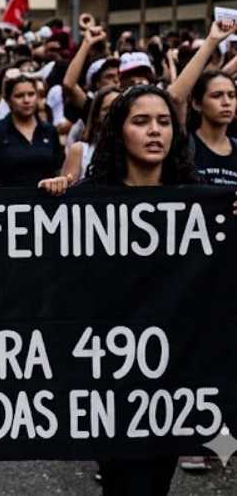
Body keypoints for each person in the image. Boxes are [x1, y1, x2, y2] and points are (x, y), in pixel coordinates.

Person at [83, 85, 198, 495]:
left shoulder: (200, 205)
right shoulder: (87, 207)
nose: (155, 132)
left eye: (164, 122)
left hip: (173, 377)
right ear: (118, 132)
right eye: (141, 121)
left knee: (157, 483)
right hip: (113, 381)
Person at [0, 74, 65, 187]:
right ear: (8, 100)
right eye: (19, 96)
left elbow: (58, 169)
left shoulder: (49, 130)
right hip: (7, 202)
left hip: (45, 202)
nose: (26, 100)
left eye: (31, 94)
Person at [60, 87, 119, 184]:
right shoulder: (80, 150)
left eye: (117, 108)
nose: (112, 114)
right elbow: (68, 192)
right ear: (96, 116)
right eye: (106, 109)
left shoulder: (134, 150)